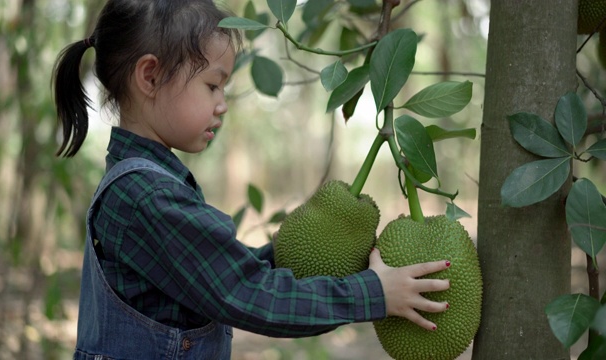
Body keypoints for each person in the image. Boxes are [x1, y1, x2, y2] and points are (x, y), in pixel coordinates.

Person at [52, 0, 451, 359]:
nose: (222, 105)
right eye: (212, 85)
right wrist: (373, 294)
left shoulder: (149, 186)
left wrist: (294, 245)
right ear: (151, 77)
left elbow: (220, 274)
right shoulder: (146, 198)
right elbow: (246, 294)